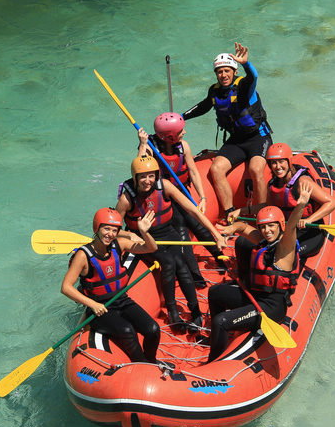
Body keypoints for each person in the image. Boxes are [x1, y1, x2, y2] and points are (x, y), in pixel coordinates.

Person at [116, 156, 227, 330]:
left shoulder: (165, 186)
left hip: (168, 232)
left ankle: (195, 310)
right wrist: (131, 235)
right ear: (135, 177)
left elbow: (193, 211)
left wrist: (216, 235)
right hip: (145, 239)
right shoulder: (126, 199)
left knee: (181, 264)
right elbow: (114, 228)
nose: (147, 181)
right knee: (168, 262)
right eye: (142, 177)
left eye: (151, 176)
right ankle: (173, 313)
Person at [206, 182, 313, 362]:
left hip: (271, 307)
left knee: (221, 321)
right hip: (255, 295)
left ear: (280, 225)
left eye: (271, 226)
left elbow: (292, 227)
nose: (266, 230)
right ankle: (217, 340)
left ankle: (213, 362)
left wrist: (300, 205)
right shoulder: (263, 240)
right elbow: (243, 228)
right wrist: (229, 229)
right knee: (214, 292)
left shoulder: (284, 248)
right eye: (263, 226)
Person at [182, 42, 272, 220]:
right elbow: (204, 106)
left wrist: (246, 63)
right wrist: (181, 117)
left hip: (258, 138)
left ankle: (262, 214)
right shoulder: (214, 91)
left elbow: (253, 76)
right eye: (220, 71)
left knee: (255, 169)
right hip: (236, 140)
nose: (223, 75)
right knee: (216, 169)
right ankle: (230, 212)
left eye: (227, 71)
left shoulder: (244, 86)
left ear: (234, 71)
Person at [61, 208, 160, 363]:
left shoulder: (119, 244)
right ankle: (143, 366)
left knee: (153, 329)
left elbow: (151, 248)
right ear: (97, 228)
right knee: (127, 331)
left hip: (122, 299)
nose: (110, 234)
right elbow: (66, 287)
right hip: (99, 307)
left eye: (114, 230)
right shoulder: (83, 255)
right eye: (106, 229)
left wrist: (144, 232)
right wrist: (92, 304)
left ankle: (151, 360)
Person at [137, 113, 223, 287]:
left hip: (182, 192)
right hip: (165, 196)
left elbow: (192, 171)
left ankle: (220, 257)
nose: (184, 132)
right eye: (181, 130)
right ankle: (196, 276)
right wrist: (143, 143)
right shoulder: (151, 148)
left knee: (197, 224)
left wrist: (203, 197)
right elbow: (140, 164)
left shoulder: (183, 146)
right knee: (182, 230)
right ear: (169, 136)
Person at [230, 142, 335, 258]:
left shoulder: (303, 182)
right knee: (243, 243)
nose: (278, 167)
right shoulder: (273, 184)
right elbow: (268, 206)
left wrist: (309, 220)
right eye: (273, 163)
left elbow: (331, 203)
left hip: (309, 233)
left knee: (278, 255)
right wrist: (241, 211)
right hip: (287, 232)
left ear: (289, 162)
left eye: (281, 161)